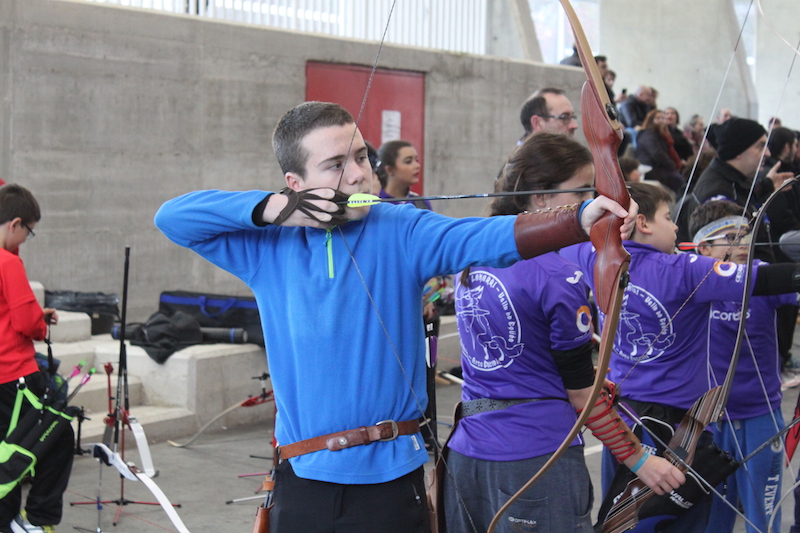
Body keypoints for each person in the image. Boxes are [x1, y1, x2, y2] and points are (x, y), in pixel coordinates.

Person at [154, 101, 635, 532]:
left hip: (389, 484)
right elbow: (173, 217)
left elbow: (480, 238)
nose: (359, 175)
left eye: (362, 157)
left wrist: (577, 219)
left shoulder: (399, 226)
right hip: (301, 482)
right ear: (296, 185)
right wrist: (276, 210)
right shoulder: (267, 247)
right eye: (335, 166)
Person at [443, 134, 683, 533]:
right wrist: (641, 460)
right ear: (540, 198)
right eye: (582, 191)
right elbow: (581, 396)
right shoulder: (557, 274)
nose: (591, 202)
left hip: (467, 456)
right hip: (535, 460)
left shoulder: (471, 252)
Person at [561, 182, 800, 532]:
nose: (676, 227)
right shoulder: (684, 270)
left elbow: (553, 244)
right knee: (679, 522)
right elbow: (763, 279)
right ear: (642, 222)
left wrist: (606, 226)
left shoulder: (592, 255)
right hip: (675, 428)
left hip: (619, 423)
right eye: (668, 217)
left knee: (620, 522)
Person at [689, 200, 794, 533]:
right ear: (704, 247)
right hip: (710, 421)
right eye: (731, 238)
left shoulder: (762, 277)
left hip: (761, 415)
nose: (743, 245)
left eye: (746, 236)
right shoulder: (688, 282)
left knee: (763, 516)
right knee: (714, 520)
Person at [0, 184, 70, 533]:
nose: (27, 238)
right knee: (56, 437)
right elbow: (27, 323)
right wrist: (40, 322)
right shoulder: (8, 262)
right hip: (15, 375)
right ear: (15, 224)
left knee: (8, 448)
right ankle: (38, 520)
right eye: (28, 230)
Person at [634, 109, 686, 194]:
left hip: (658, 167)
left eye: (663, 118)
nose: (661, 121)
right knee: (678, 180)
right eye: (658, 118)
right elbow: (657, 154)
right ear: (651, 121)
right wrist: (671, 165)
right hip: (650, 168)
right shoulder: (648, 134)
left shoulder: (660, 135)